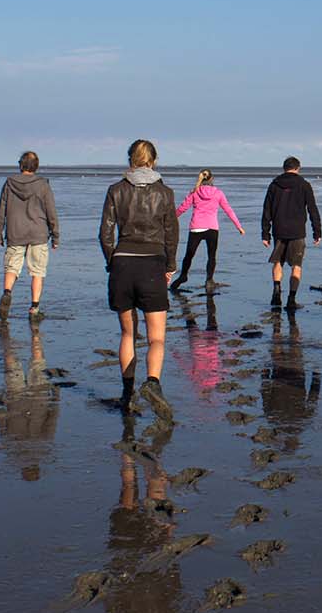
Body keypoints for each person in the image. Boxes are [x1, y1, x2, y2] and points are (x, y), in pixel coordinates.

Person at [100, 139, 178, 423]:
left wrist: (113, 261)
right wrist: (170, 265)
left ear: (131, 160)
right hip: (152, 264)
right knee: (156, 337)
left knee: (128, 334)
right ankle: (153, 383)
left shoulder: (116, 191)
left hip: (123, 264)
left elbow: (106, 234)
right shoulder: (165, 193)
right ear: (154, 161)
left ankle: (127, 392)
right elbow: (171, 233)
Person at [0, 150, 59, 322]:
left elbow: (1, 209)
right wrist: (55, 235)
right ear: (36, 166)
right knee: (37, 271)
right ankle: (34, 307)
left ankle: (7, 293)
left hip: (15, 232)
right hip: (38, 233)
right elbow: (51, 211)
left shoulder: (9, 183)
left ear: (21, 165)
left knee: (12, 267)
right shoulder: (43, 185)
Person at [261, 156, 322, 311]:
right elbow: (312, 209)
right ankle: (291, 299)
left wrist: (265, 233)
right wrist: (317, 231)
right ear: (298, 168)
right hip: (297, 231)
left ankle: (276, 292)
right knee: (296, 265)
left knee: (278, 262)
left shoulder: (274, 185)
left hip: (279, 230)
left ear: (284, 168)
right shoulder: (304, 185)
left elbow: (266, 210)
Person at [171, 169, 245, 293]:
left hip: (196, 227)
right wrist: (239, 226)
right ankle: (209, 280)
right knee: (211, 256)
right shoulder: (218, 193)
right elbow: (228, 210)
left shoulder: (194, 192)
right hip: (212, 228)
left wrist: (169, 220)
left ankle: (183, 276)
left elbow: (182, 208)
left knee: (189, 255)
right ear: (212, 179)